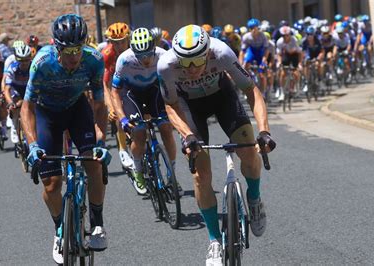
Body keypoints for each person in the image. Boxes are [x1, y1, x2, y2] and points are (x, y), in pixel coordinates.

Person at [157, 24, 276, 265]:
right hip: (190, 107)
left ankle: (254, 198)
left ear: (208, 52)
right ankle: (213, 241)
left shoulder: (222, 53)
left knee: (249, 150)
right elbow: (170, 105)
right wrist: (187, 135)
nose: (190, 69)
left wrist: (264, 131)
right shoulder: (166, 66)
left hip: (222, 97)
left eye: (196, 62)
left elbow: (251, 90)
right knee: (201, 175)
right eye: (185, 62)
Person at [21, 14, 111, 264]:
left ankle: (98, 224)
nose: (73, 57)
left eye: (77, 49)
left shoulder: (94, 60)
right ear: (56, 47)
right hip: (47, 114)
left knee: (92, 162)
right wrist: (32, 144)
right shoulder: (41, 62)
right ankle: (60, 229)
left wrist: (100, 139)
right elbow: (26, 108)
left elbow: (100, 105)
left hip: (76, 110)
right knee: (50, 182)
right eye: (67, 51)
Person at [110, 27, 178, 194]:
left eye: (148, 54)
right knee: (139, 132)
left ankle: (172, 175)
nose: (146, 59)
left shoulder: (163, 55)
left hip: (154, 91)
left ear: (154, 48)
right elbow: (115, 92)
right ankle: (138, 171)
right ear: (133, 51)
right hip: (131, 94)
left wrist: (176, 112)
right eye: (140, 56)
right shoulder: (124, 60)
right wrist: (123, 119)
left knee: (166, 128)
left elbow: (174, 85)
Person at [101, 22, 134, 169]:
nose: (119, 46)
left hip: (132, 82)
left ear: (128, 39)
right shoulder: (107, 55)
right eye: (115, 42)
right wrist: (110, 107)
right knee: (118, 114)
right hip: (114, 86)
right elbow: (105, 84)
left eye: (122, 42)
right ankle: (123, 150)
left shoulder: (135, 49)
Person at [3, 43, 33, 144]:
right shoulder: (13, 68)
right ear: (16, 58)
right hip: (16, 90)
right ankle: (15, 127)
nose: (24, 63)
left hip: (29, 89)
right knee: (17, 105)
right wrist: (10, 103)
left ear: (30, 57)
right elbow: (7, 89)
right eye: (21, 60)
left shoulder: (34, 67)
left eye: (26, 60)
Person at [240, 18, 269, 97]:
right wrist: (241, 63)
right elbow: (242, 51)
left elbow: (266, 50)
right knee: (244, 66)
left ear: (258, 27)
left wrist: (264, 60)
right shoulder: (246, 37)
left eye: (254, 27)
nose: (253, 30)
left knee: (261, 74)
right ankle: (247, 87)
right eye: (251, 28)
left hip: (260, 53)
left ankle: (263, 92)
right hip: (251, 51)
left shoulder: (263, 36)